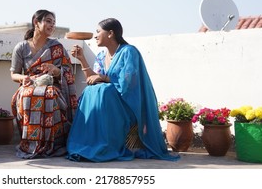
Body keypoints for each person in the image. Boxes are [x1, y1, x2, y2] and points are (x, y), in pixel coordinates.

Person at [66, 18, 179, 162]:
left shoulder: (129, 52)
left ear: (110, 33)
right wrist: (81, 58)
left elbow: (128, 84)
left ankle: (106, 145)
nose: (95, 36)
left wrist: (103, 78)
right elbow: (92, 79)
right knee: (90, 92)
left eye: (98, 31)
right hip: (108, 101)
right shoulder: (101, 56)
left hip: (127, 102)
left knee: (105, 92)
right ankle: (86, 143)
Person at [10, 9, 77, 158]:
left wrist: (56, 70)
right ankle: (31, 143)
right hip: (28, 85)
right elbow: (13, 74)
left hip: (51, 85)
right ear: (36, 23)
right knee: (27, 94)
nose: (52, 25)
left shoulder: (56, 48)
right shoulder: (21, 47)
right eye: (48, 21)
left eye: (53, 23)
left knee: (49, 94)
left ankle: (50, 144)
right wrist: (23, 79)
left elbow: (68, 72)